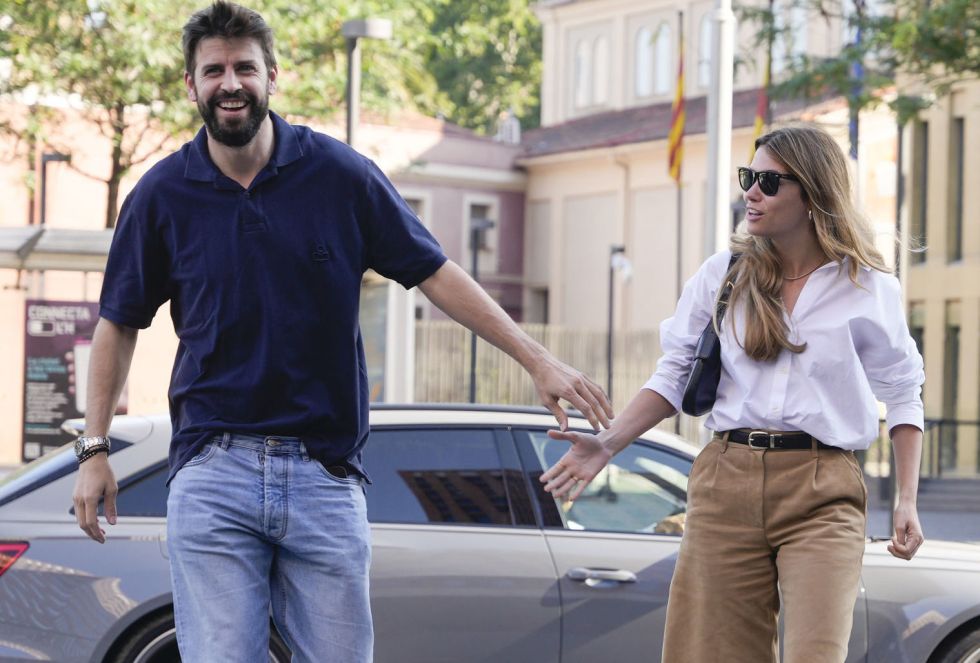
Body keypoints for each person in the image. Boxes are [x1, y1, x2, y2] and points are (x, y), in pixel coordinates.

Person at [70, 2, 612, 661]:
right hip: (214, 470)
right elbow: (118, 322)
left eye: (245, 67)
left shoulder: (340, 176)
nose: (230, 83)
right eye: (213, 71)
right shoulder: (161, 195)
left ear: (273, 76)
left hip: (323, 474)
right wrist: (94, 449)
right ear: (192, 85)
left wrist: (537, 359)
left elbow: (435, 272)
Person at [541, 124, 925, 663]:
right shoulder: (724, 274)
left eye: (768, 182)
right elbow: (673, 374)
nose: (751, 193)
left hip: (823, 487)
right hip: (726, 480)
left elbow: (903, 391)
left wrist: (906, 499)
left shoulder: (866, 286)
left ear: (812, 193)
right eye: (749, 177)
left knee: (816, 655)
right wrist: (607, 444)